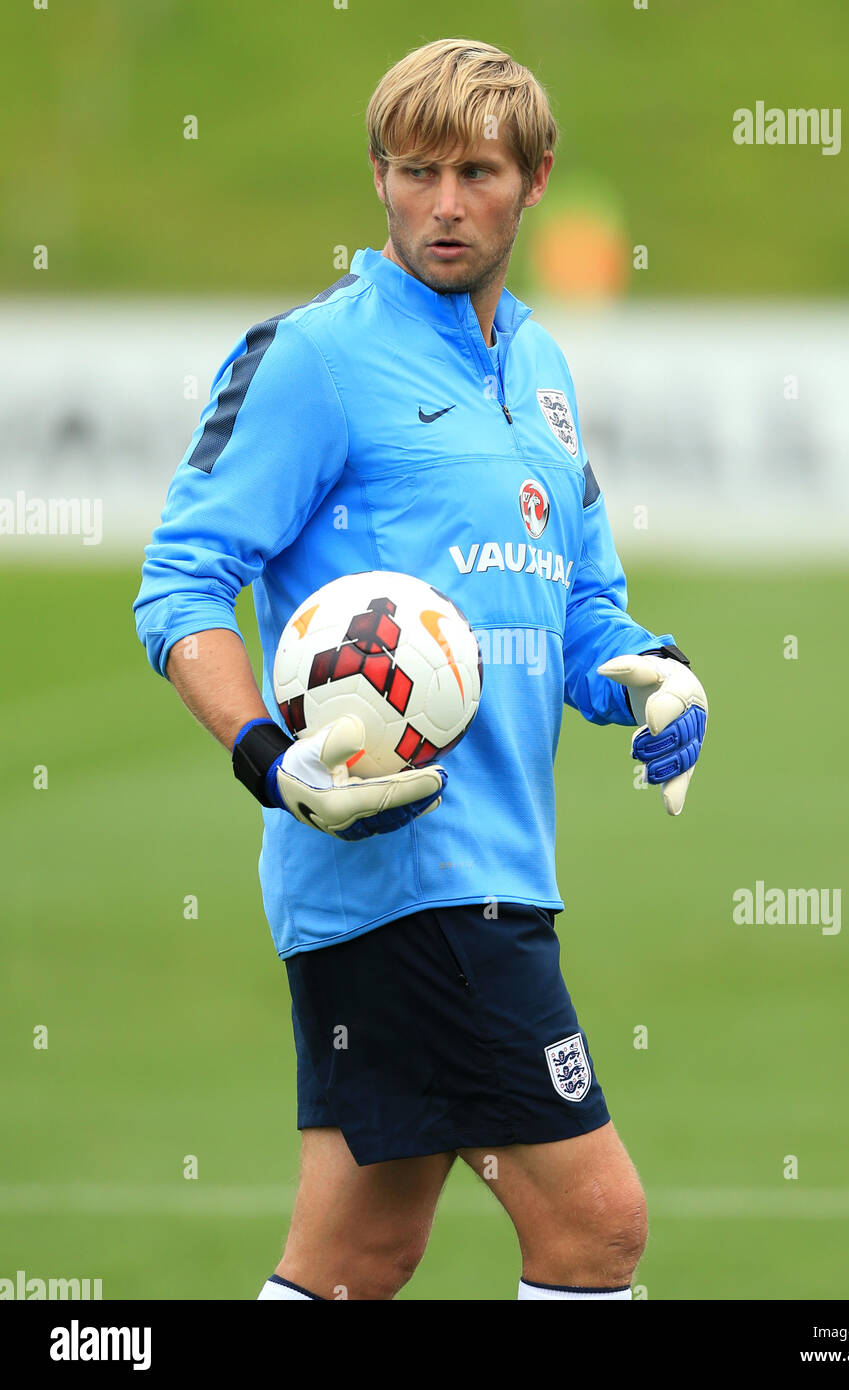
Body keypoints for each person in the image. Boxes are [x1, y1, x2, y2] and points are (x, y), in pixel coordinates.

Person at [134, 37, 708, 1302]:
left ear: (536, 178)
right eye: (415, 172)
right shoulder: (313, 358)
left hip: (503, 864)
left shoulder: (544, 373)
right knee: (596, 1225)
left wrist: (656, 678)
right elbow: (180, 583)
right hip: (406, 875)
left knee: (355, 1259)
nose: (444, 204)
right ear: (379, 179)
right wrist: (267, 759)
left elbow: (585, 615)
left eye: (477, 173)